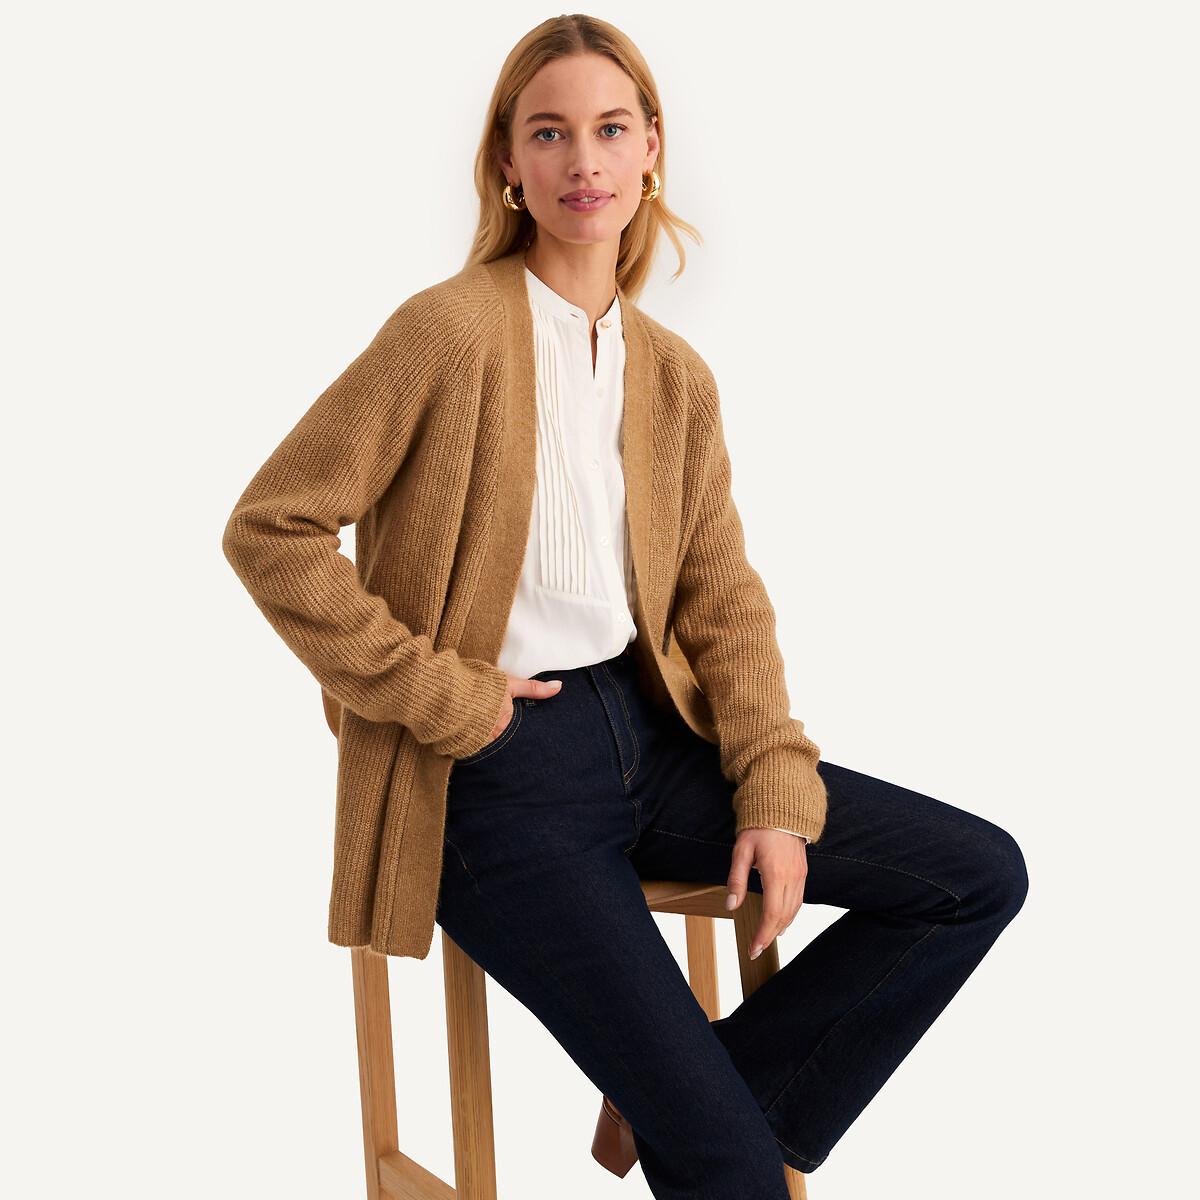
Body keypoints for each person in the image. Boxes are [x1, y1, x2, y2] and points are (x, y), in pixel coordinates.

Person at [222, 15, 1029, 1198]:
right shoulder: (445, 334)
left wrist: (772, 784)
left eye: (609, 130)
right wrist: (447, 700)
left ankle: (692, 1087)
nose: (582, 161)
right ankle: (694, 1103)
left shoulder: (673, 377)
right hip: (491, 775)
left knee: (976, 876)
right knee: (732, 1169)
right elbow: (273, 527)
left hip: (650, 743)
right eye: (549, 134)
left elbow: (722, 602)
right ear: (508, 162)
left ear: (653, 148)